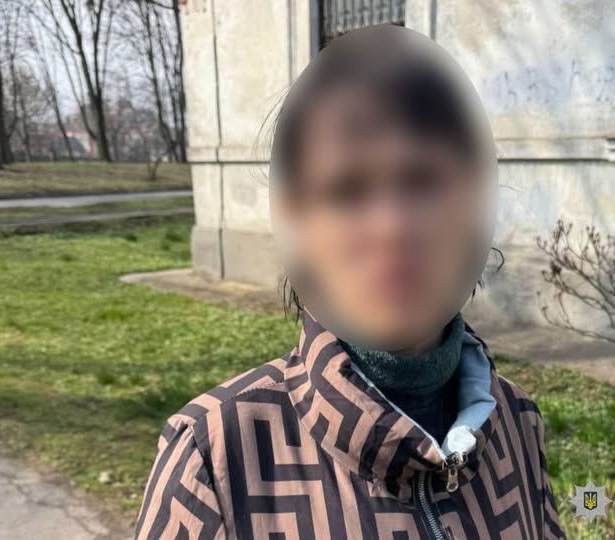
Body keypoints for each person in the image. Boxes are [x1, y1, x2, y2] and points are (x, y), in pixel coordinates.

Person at [135, 24, 563, 540]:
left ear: (474, 198)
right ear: (299, 220)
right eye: (346, 191)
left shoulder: (518, 424)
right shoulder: (215, 460)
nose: (392, 228)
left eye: (423, 180)